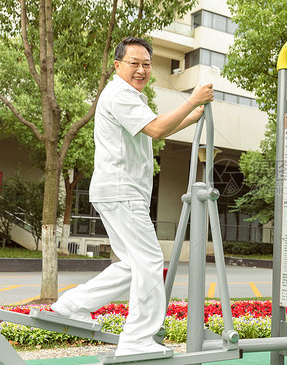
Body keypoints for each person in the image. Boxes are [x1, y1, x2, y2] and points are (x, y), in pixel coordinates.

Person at [51, 36, 214, 356]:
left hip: (119, 191)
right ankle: (138, 338)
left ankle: (71, 305)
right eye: (134, 64)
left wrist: (192, 116)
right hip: (121, 190)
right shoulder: (120, 94)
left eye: (146, 65)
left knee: (132, 264)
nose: (141, 70)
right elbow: (154, 129)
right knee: (151, 261)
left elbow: (158, 128)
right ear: (118, 65)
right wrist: (192, 101)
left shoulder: (129, 96)